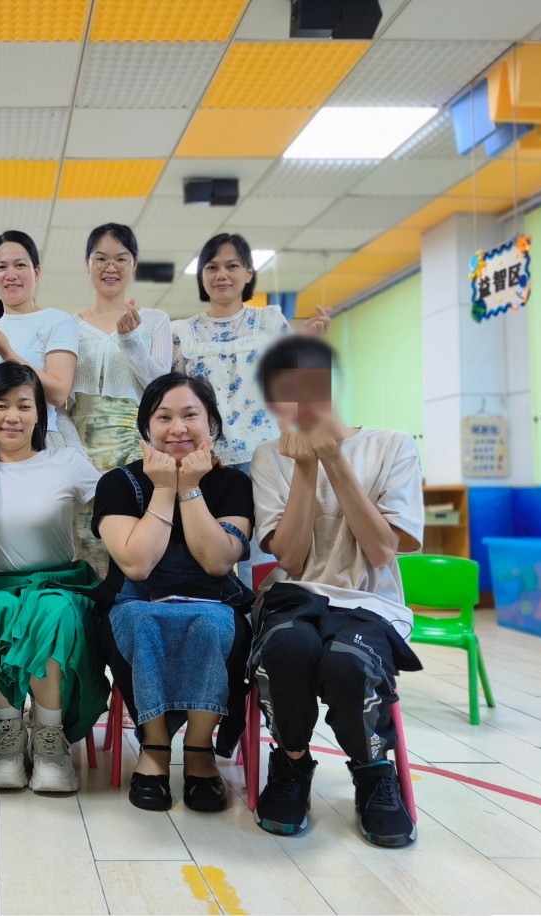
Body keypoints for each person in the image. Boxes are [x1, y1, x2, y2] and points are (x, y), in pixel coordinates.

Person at [249, 335, 423, 848]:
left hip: (369, 603)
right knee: (287, 648)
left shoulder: (393, 445)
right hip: (294, 596)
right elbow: (291, 559)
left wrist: (334, 460)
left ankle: (373, 771)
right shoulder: (270, 456)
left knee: (347, 663)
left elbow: (382, 551)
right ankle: (291, 763)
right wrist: (306, 466)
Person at [93, 373, 254, 813]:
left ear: (211, 423)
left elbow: (217, 561)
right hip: (134, 604)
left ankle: (200, 749)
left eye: (190, 415)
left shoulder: (234, 484)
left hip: (215, 605)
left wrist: (190, 488)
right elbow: (137, 564)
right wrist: (164, 489)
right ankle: (155, 747)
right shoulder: (118, 483)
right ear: (146, 427)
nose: (177, 428)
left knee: (210, 623)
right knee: (142, 622)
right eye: (163, 417)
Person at [0, 362, 106, 794]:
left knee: (54, 610)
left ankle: (49, 737)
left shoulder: (65, 462)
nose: (12, 416)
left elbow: (116, 504)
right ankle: (8, 736)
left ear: (39, 413)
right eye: (0, 405)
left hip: (60, 584)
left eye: (24, 406)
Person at [171, 233, 330, 583]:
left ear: (248, 273)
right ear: (201, 276)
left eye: (232, 266)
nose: (221, 274)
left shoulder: (270, 322)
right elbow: (176, 399)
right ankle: (221, 617)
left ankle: (267, 616)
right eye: (211, 267)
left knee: (268, 553)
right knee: (212, 554)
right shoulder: (181, 332)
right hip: (209, 461)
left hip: (268, 456)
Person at [71, 224, 172, 575]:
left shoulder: (155, 321)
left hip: (135, 450)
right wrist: (73, 456)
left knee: (134, 547)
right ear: (87, 264)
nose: (110, 267)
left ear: (134, 264)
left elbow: (161, 389)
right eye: (100, 258)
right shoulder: (68, 326)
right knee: (85, 550)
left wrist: (131, 341)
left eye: (121, 259)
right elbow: (58, 401)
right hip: (79, 452)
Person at [0, 230, 81, 449]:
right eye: (1, 267)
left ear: (37, 272)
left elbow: (58, 394)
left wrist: (8, 354)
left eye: (20, 265)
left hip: (39, 440)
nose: (11, 274)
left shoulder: (57, 321)